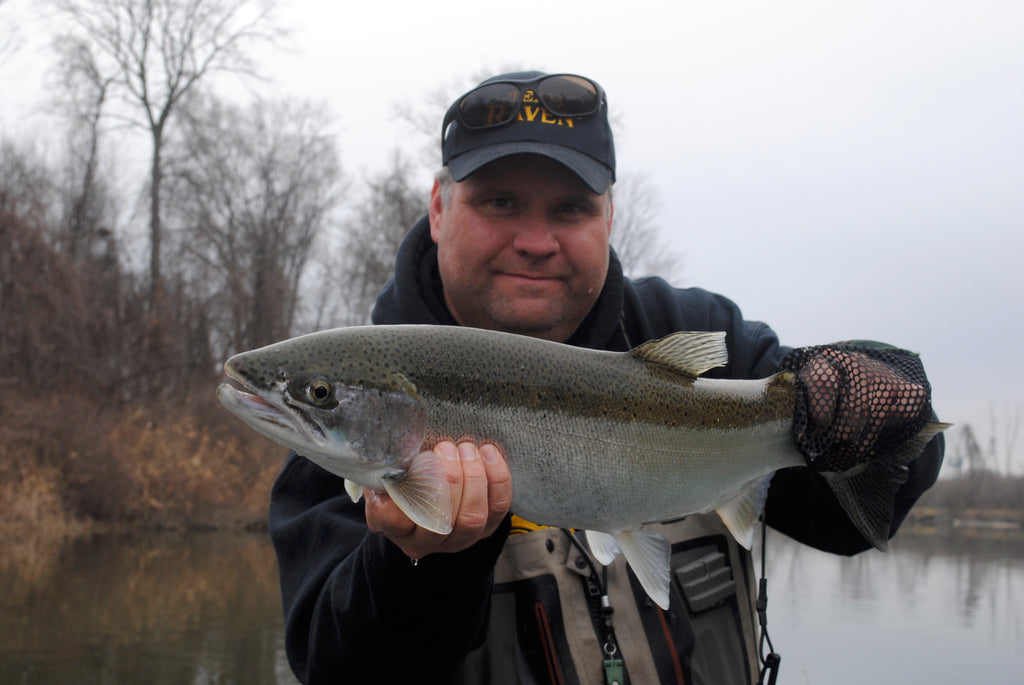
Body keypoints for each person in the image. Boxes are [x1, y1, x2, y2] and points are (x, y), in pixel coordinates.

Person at [269, 71, 944, 684]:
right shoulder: (341, 424)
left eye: (569, 209)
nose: (536, 239)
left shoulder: (704, 336)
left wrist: (869, 408)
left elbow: (859, 521)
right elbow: (338, 667)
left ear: (610, 217)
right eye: (501, 202)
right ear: (439, 207)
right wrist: (420, 565)